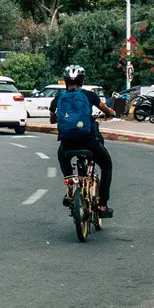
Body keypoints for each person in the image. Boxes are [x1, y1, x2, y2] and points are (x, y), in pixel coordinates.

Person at [49, 65, 116, 218]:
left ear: (65, 81)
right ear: (82, 81)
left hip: (67, 143)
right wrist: (111, 113)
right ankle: (102, 205)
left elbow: (52, 119)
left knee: (62, 157)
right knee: (106, 165)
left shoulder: (58, 98)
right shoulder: (89, 96)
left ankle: (71, 189)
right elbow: (106, 111)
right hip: (88, 141)